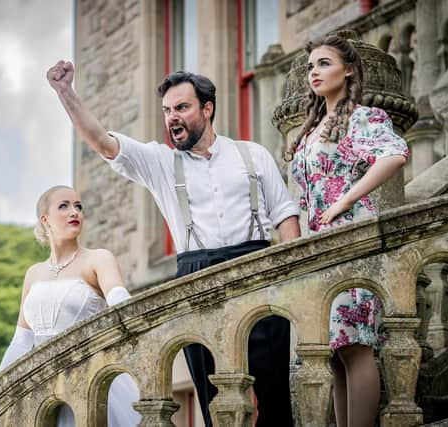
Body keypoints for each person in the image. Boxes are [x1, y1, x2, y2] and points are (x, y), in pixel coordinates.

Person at [47, 62, 300, 427]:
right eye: (167, 111)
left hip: (258, 268)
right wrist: (65, 92)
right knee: (215, 401)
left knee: (276, 395)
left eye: (181, 108)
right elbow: (103, 142)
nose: (172, 118)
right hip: (195, 277)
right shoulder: (160, 162)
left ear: (207, 109)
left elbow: (285, 215)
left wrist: (290, 280)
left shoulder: (252, 154)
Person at [287, 35, 409, 427]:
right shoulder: (310, 130)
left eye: (323, 64)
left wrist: (343, 201)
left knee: (357, 345)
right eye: (310, 67)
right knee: (335, 349)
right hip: (318, 247)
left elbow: (394, 155)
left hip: (351, 240)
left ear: (350, 69)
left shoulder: (364, 117)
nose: (314, 73)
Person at [0, 185, 141, 427]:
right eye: (64, 206)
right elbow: (20, 342)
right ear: (45, 220)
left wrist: (125, 303)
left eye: (78, 206)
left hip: (90, 379)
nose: (75, 212)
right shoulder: (33, 274)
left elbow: (119, 299)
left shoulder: (98, 259)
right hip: (42, 387)